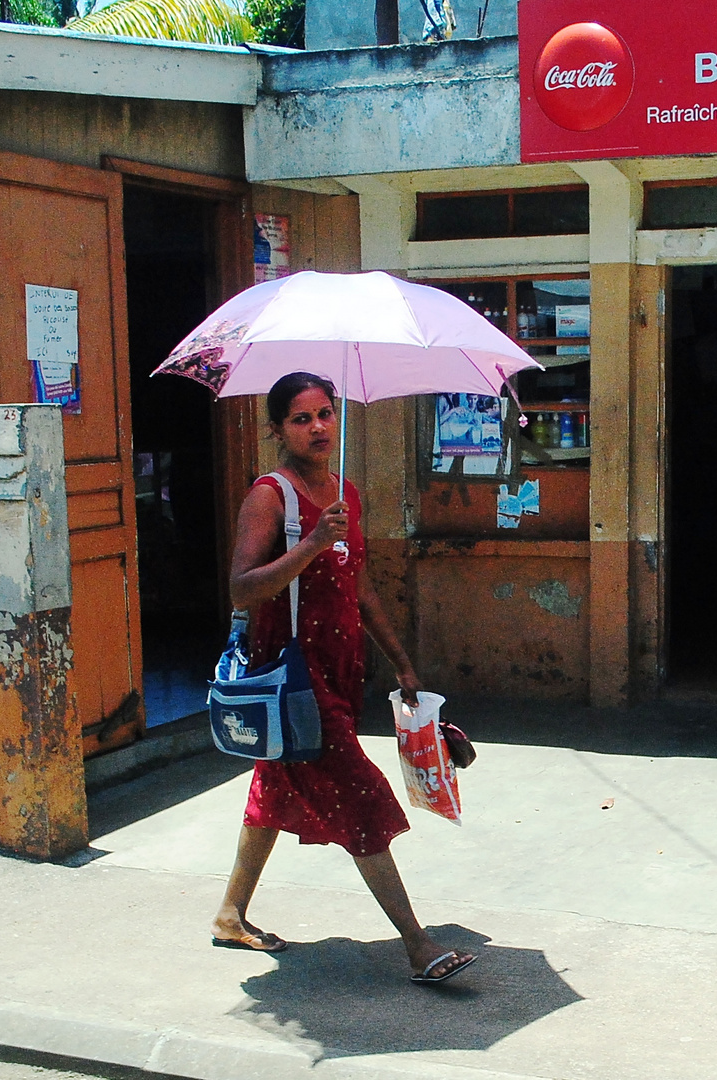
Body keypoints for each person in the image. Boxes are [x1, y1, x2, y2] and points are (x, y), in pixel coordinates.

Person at [210, 371, 477, 985]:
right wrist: (309, 544)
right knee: (360, 795)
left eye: (325, 413)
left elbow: (359, 586)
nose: (318, 427)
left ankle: (230, 914)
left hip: (338, 670)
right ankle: (418, 945)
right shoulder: (269, 497)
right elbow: (242, 587)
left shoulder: (345, 494)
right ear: (278, 429)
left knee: (274, 790)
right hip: (291, 675)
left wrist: (401, 661)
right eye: (301, 418)